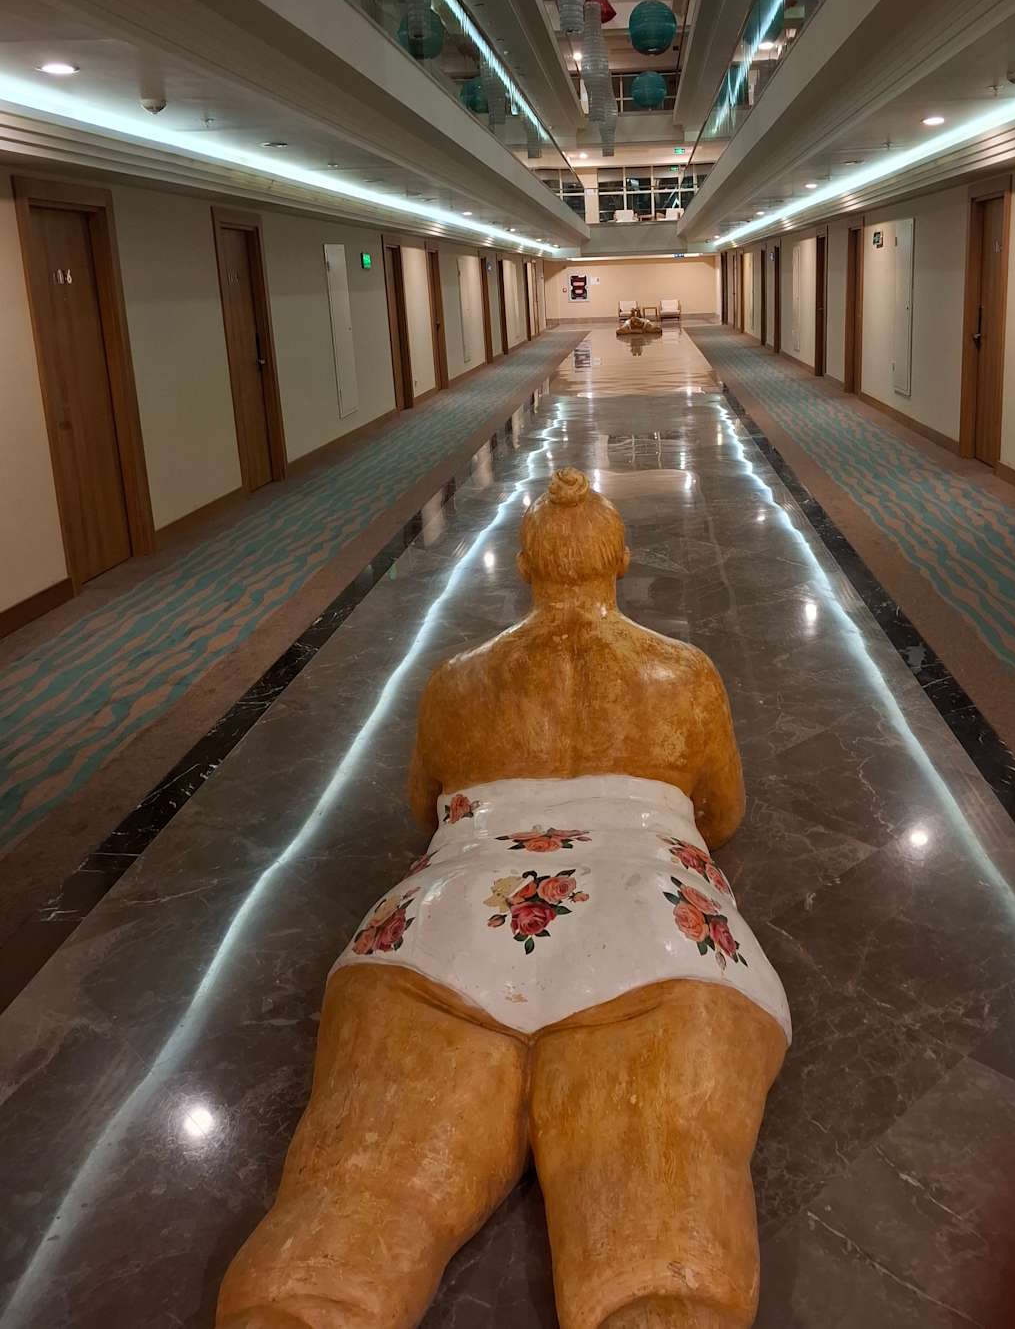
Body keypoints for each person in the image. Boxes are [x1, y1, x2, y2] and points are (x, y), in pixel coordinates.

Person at [218, 468, 789, 1329]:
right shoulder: (684, 674)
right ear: (620, 560)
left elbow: (423, 808)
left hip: (443, 934)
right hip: (656, 935)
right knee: (661, 1216)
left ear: (525, 566)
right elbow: (726, 812)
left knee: (359, 1198)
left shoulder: (456, 681)